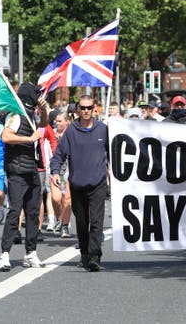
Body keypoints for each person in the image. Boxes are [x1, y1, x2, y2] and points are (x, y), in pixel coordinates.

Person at [51, 95, 108, 271]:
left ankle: (94, 256)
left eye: (89, 107)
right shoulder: (71, 131)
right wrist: (55, 172)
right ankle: (84, 252)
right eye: (82, 108)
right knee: (82, 223)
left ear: (94, 108)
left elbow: (115, 153)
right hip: (77, 184)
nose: (86, 111)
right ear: (77, 110)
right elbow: (59, 154)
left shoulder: (103, 129)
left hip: (98, 183)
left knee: (97, 222)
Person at [0, 83, 48, 271]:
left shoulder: (30, 113)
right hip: (17, 172)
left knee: (33, 213)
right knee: (15, 211)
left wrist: (43, 109)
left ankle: (31, 253)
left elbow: (43, 124)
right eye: (37, 94)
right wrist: (29, 139)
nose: (40, 96)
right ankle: (4, 254)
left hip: (32, 170)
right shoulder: (16, 115)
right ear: (30, 96)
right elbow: (6, 137)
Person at [49, 112, 72, 238]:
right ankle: (60, 219)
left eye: (60, 121)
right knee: (56, 199)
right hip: (55, 169)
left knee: (67, 199)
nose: (56, 123)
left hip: (69, 168)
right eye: (56, 121)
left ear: (67, 121)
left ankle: (65, 226)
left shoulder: (71, 134)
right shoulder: (51, 133)